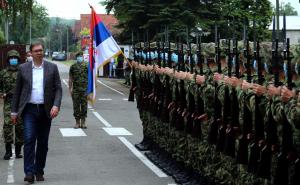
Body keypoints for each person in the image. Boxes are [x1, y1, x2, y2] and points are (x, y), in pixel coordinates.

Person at [11, 42, 62, 183]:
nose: (39, 52)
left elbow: (58, 88)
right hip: (29, 110)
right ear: (31, 53)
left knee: (43, 143)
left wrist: (56, 105)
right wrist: (14, 112)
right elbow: (17, 91)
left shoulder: (52, 67)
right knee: (28, 140)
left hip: (46, 110)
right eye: (36, 50)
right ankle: (29, 172)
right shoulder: (23, 68)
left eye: (41, 50)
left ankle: (39, 170)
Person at [0, 50, 24, 160]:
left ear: (18, 59)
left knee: (20, 126)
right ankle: (8, 151)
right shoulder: (3, 73)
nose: (13, 59)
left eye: (15, 57)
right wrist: (2, 94)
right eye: (11, 57)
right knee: (7, 126)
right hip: (8, 102)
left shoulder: (23, 71)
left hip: (20, 103)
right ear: (8, 59)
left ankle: (18, 151)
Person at [69, 51, 88, 129]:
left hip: (85, 90)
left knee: (84, 106)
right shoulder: (73, 67)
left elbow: (90, 77)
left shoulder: (87, 66)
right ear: (77, 58)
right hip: (76, 90)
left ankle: (83, 122)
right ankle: (77, 122)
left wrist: (91, 89)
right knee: (76, 106)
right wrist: (70, 88)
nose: (80, 57)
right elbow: (70, 78)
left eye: (81, 56)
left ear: (83, 57)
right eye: (79, 56)